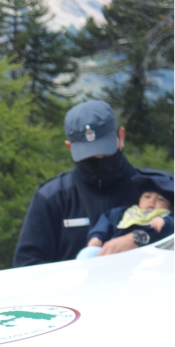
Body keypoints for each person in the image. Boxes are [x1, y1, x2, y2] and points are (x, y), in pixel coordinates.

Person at [13, 100, 174, 267]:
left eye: (105, 152)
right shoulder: (53, 197)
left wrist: (141, 238)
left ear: (121, 137)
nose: (98, 160)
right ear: (70, 148)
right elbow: (27, 267)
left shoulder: (162, 187)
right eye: (88, 156)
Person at [77, 175, 174, 258]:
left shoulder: (166, 217)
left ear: (170, 207)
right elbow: (105, 222)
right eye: (147, 197)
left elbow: (171, 227)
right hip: (111, 253)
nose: (151, 201)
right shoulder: (123, 213)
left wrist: (164, 223)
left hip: (145, 258)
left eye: (161, 199)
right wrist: (96, 236)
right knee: (88, 253)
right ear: (139, 199)